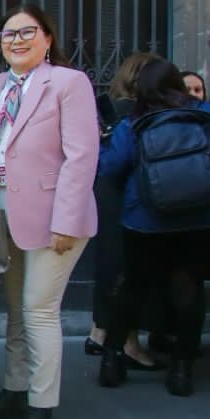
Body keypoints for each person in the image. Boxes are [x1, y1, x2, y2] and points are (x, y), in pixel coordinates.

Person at [0, 7, 100, 419]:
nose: (17, 40)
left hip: (53, 218)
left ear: (47, 38)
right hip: (4, 216)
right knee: (16, 309)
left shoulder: (68, 82)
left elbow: (82, 156)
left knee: (38, 308)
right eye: (9, 34)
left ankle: (41, 406)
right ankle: (14, 388)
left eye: (27, 32)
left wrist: (66, 220)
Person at [97, 57, 210, 396]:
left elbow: (112, 168)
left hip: (147, 220)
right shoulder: (208, 114)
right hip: (204, 216)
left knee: (132, 287)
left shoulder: (133, 123)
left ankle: (112, 359)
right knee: (187, 288)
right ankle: (181, 370)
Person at [86, 52, 162, 368]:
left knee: (110, 263)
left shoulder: (110, 107)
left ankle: (100, 332)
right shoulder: (138, 113)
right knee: (127, 269)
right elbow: (118, 161)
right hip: (128, 193)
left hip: (104, 192)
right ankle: (127, 342)